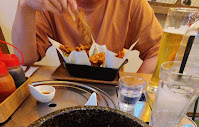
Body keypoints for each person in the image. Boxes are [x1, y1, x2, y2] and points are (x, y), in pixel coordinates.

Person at [12, 0, 163, 73]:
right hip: (67, 89)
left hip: (112, 90)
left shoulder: (131, 3)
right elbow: (24, 58)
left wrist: (134, 90)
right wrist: (25, 6)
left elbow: (157, 51)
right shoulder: (50, 2)